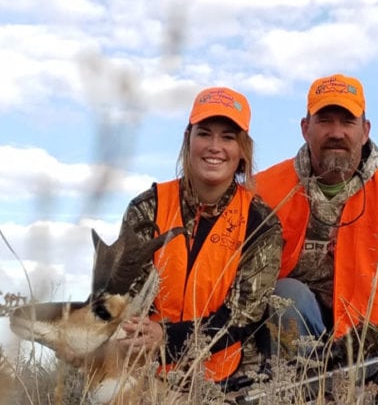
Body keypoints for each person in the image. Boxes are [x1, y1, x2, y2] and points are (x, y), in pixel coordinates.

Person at [255, 73, 378, 373]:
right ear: (306, 128)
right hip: (295, 341)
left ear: (365, 130)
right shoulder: (265, 191)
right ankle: (291, 399)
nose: (336, 132)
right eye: (325, 121)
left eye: (347, 122)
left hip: (374, 346)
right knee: (286, 295)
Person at [116, 86, 282, 388]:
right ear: (187, 140)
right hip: (147, 372)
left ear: (243, 150)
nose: (214, 146)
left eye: (228, 137)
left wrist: (166, 339)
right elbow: (125, 299)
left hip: (229, 380)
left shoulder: (261, 222)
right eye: (204, 133)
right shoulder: (147, 208)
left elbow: (240, 318)